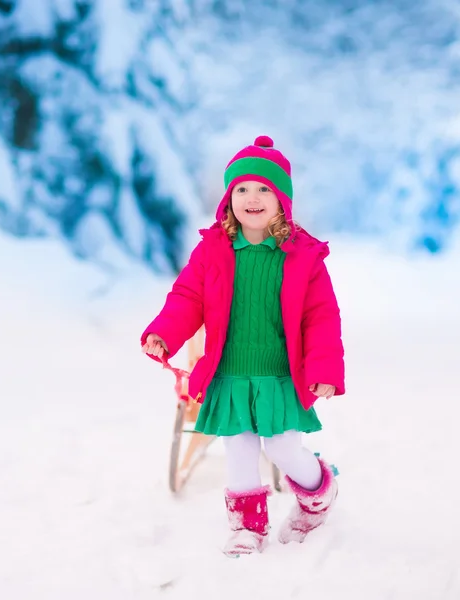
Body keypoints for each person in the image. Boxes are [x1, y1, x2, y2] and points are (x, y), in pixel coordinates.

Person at [141, 135, 345, 556]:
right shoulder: (212, 250)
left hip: (280, 375)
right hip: (231, 372)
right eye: (241, 189)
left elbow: (321, 317)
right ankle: (246, 529)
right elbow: (187, 297)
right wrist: (164, 332)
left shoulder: (302, 256)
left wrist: (325, 370)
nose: (252, 198)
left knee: (284, 446)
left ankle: (317, 495)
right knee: (239, 449)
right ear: (228, 198)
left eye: (264, 189)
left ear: (282, 200)